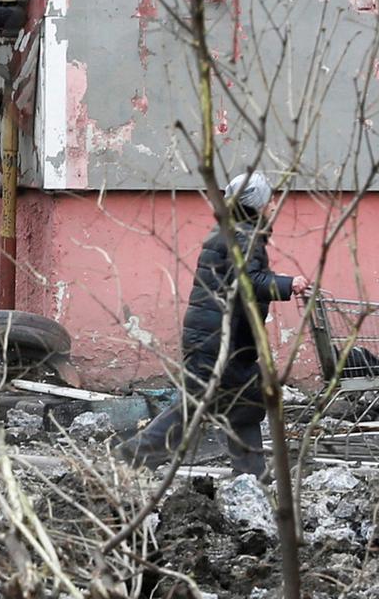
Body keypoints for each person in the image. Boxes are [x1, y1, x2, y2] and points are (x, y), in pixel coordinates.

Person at [125, 171, 307, 476]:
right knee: (191, 410)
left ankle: (252, 475)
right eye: (270, 199)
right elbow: (249, 281)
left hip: (228, 342)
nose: (274, 205)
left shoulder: (235, 231)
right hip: (217, 341)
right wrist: (290, 284)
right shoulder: (242, 235)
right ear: (257, 203)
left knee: (246, 402)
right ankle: (127, 461)